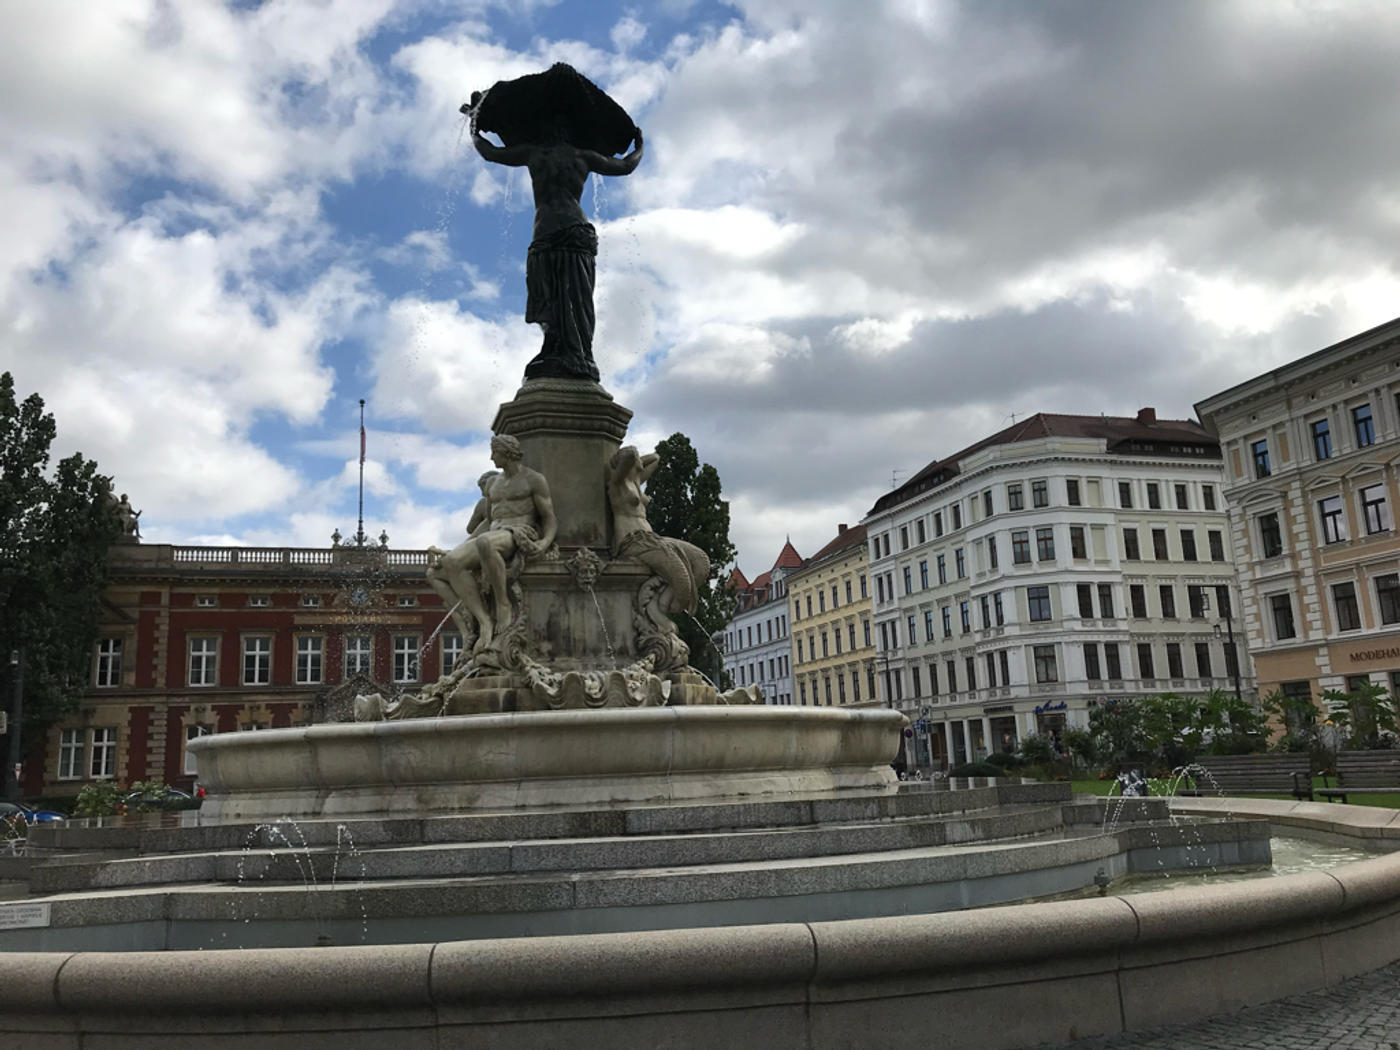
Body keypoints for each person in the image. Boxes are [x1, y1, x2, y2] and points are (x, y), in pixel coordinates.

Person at [470, 118, 643, 382]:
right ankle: (562, 351)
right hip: (571, 231)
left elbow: (490, 152)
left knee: (552, 297)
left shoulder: (533, 152)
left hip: (550, 230)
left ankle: (576, 356)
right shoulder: (582, 156)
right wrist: (639, 145)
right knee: (566, 297)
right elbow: (626, 165)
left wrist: (473, 126)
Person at [426, 437, 556, 653]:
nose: (491, 457)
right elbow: (485, 525)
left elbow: (549, 517)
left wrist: (544, 543)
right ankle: (484, 619)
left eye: (494, 453)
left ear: (507, 453)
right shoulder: (493, 484)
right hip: (494, 532)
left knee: (487, 542)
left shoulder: (533, 479)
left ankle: (503, 603)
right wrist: (457, 550)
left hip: (519, 531)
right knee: (451, 562)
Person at [606, 445, 709, 615]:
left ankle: (661, 600)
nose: (639, 459)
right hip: (633, 541)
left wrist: (638, 463)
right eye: (636, 458)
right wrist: (630, 456)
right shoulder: (617, 483)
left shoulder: (635, 482)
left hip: (651, 539)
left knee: (701, 562)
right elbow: (630, 455)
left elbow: (655, 458)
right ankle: (659, 614)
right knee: (681, 579)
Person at [426, 470, 500, 642]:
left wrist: (450, 555)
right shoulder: (487, 505)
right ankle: (466, 613)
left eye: (485, 489)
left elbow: (472, 532)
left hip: (492, 552)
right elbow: (472, 534)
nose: (483, 494)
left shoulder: (497, 507)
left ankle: (483, 619)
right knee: (433, 573)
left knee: (452, 564)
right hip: (477, 549)